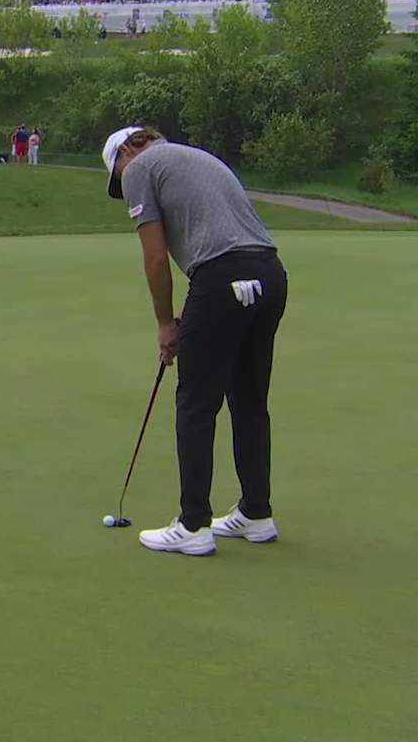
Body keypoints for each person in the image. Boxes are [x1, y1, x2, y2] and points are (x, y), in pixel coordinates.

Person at [101, 125, 287, 556]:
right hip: (270, 275)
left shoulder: (140, 168)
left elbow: (154, 257)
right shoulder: (197, 156)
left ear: (128, 150)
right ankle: (257, 514)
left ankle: (193, 525)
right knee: (248, 400)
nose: (122, 183)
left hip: (221, 277)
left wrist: (166, 323)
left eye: (117, 172)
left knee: (196, 403)